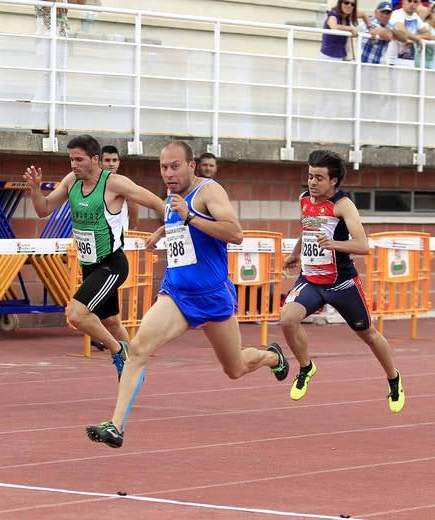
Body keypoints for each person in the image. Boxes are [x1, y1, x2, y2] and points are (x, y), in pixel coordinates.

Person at [85, 140, 289, 448]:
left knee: (235, 369)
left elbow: (235, 233)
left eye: (175, 166)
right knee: (138, 349)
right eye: (164, 167)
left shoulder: (209, 191)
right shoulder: (172, 196)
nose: (168, 173)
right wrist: (161, 232)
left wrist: (190, 217)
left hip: (212, 297)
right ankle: (116, 426)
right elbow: (179, 226)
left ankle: (271, 356)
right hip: (177, 295)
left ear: (191, 166)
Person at [23, 135, 166, 379]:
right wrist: (35, 190)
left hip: (111, 264)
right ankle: (133, 370)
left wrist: (166, 228)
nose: (73, 164)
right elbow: (43, 209)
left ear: (95, 159)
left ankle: (117, 350)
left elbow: (156, 203)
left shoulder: (115, 183)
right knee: (111, 322)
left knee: (76, 314)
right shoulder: (71, 182)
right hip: (89, 265)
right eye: (71, 159)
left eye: (79, 159)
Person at [279, 150, 405, 413]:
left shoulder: (343, 205)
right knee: (287, 319)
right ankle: (306, 367)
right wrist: (294, 253)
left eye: (319, 178)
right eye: (310, 176)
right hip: (311, 280)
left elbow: (363, 245)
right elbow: (309, 229)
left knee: (368, 334)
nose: (312, 182)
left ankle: (394, 379)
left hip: (341, 283)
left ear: (334, 181)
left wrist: (333, 244)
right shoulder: (305, 199)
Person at [101, 145, 139, 230]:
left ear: (118, 163)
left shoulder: (124, 184)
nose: (111, 164)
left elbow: (134, 211)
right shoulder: (93, 184)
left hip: (120, 239)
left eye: (114, 160)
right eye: (107, 160)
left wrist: (130, 232)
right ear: (100, 162)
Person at [387, 0, 431, 67]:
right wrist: (416, 39)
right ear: (403, 1)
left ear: (419, 4)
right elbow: (402, 31)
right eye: (409, 1)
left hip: (409, 60)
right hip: (393, 60)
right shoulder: (396, 13)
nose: (412, 4)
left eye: (415, 2)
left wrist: (416, 38)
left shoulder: (415, 16)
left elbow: (428, 34)